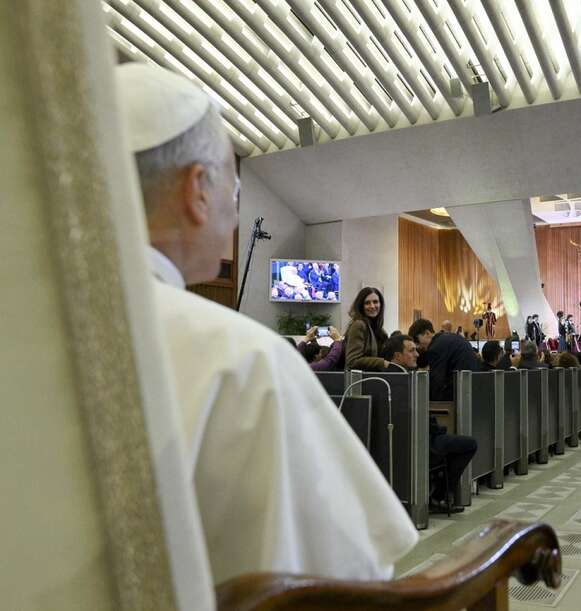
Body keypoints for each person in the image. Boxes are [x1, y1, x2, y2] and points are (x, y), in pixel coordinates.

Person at [118, 64, 416, 583]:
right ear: (197, 190)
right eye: (234, 196)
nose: (234, 220)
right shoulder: (246, 361)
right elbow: (353, 571)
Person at [382, 333, 477, 513]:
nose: (417, 354)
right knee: (469, 444)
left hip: (410, 440)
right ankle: (440, 495)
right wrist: (438, 430)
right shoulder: (404, 381)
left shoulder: (392, 378)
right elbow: (415, 418)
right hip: (420, 442)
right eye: (411, 351)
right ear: (397, 356)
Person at [409, 318, 480, 400]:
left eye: (417, 341)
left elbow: (437, 382)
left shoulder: (436, 347)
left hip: (457, 395)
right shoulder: (451, 338)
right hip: (471, 389)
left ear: (427, 333)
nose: (418, 346)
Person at [344, 287, 390, 371]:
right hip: (360, 381)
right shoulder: (359, 325)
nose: (372, 306)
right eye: (367, 303)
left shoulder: (380, 330)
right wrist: (381, 362)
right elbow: (352, 361)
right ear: (361, 306)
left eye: (375, 302)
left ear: (381, 304)